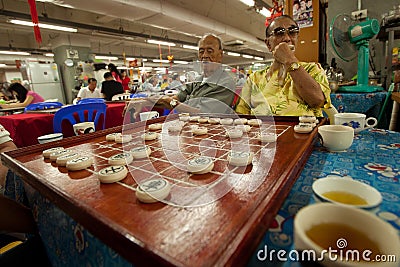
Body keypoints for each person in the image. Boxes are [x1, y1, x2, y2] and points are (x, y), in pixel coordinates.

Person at [235, 15, 331, 117]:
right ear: (268, 44)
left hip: (303, 131)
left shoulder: (312, 69)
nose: (287, 38)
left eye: (292, 32)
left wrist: (289, 61)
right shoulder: (254, 79)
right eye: (279, 33)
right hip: (263, 131)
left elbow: (317, 101)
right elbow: (240, 114)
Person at [129, 33, 235, 116]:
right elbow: (177, 98)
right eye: (201, 51)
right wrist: (145, 102)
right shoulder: (198, 80)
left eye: (210, 51)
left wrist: (171, 103)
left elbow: (203, 113)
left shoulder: (226, 82)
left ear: (220, 55)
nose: (204, 55)